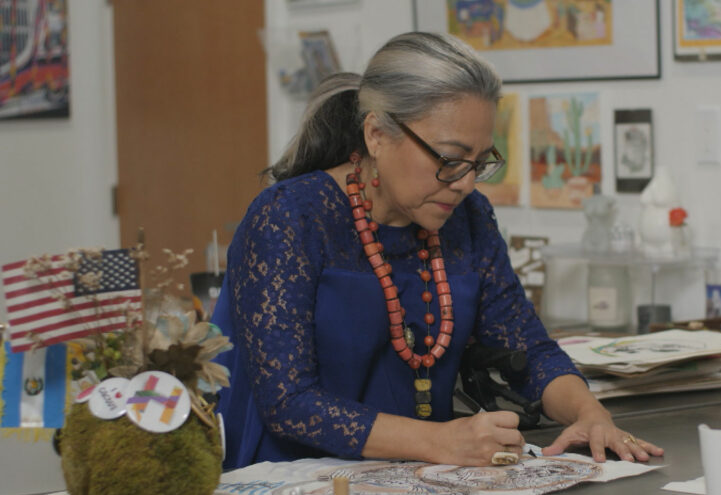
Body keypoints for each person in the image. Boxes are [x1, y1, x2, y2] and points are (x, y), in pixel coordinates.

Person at [213, 31, 662, 470]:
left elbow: (529, 349)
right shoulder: (290, 217)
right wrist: (441, 440)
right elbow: (290, 403)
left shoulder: (467, 219)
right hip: (292, 486)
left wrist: (590, 415)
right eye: (449, 159)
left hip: (418, 475)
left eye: (481, 161)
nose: (466, 182)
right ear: (376, 135)